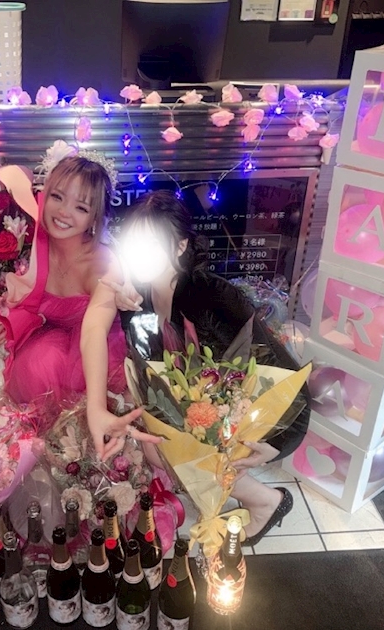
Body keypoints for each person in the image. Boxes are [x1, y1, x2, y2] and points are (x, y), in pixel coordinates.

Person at [98, 190, 310, 544]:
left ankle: (267, 501)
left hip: (249, 412)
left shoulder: (212, 297)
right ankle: (207, 488)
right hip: (204, 407)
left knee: (174, 445)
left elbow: (283, 370)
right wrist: (123, 307)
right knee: (157, 444)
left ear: (181, 246)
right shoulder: (142, 295)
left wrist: (277, 442)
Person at [0, 156, 159, 457]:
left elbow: (93, 331)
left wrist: (96, 407)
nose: (63, 212)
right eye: (57, 197)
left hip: (89, 353)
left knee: (44, 361)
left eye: (81, 207)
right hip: (33, 339)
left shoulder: (103, 262)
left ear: (95, 218)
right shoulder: (22, 241)